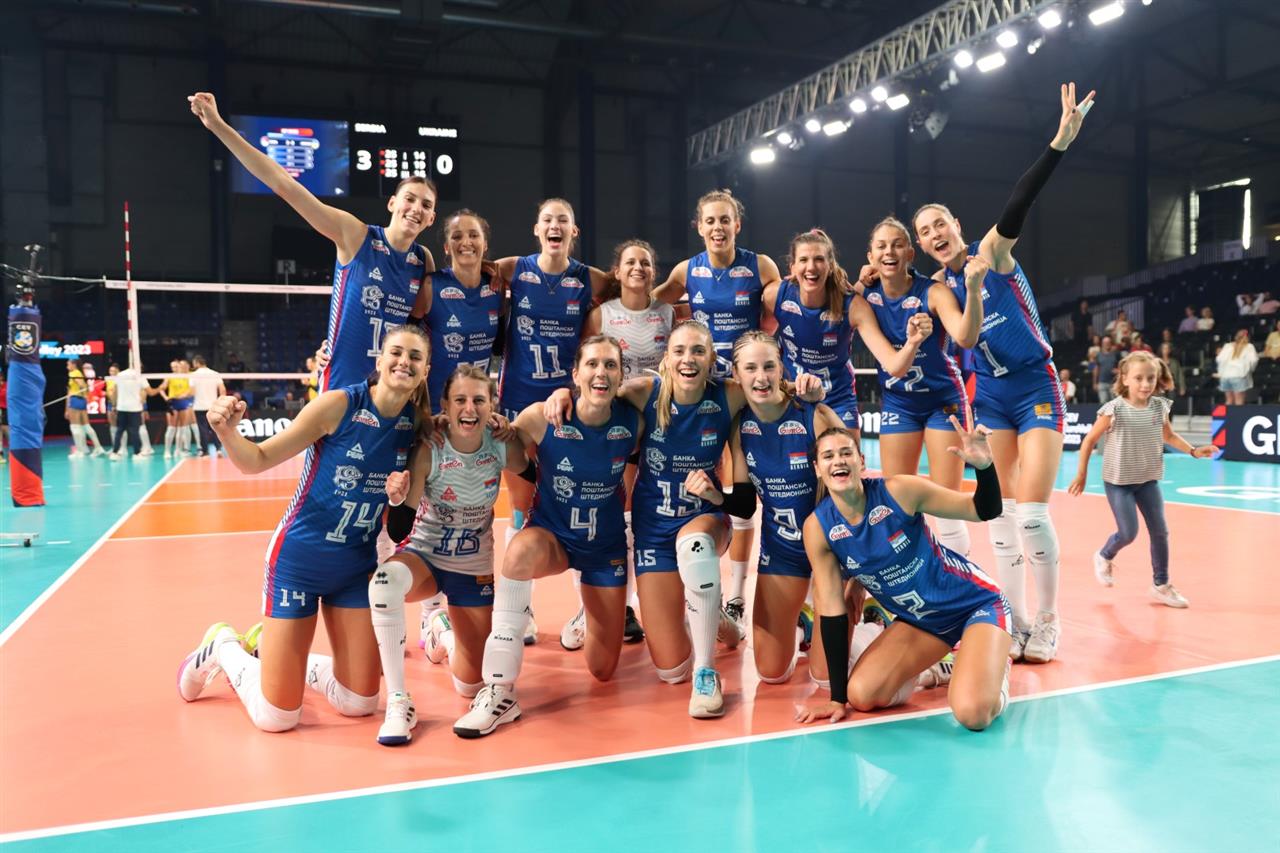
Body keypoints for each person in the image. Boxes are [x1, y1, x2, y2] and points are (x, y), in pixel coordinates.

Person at [545, 322, 824, 719]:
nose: (688, 359)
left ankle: (707, 672)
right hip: (654, 532)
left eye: (697, 351)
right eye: (679, 351)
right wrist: (563, 392)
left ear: (711, 361)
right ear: (666, 358)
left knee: (695, 548)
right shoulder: (644, 392)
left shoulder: (727, 395)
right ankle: (716, 617)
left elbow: (767, 385)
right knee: (671, 670)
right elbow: (597, 391)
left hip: (705, 519)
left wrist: (808, 389)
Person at [912, 83, 1094, 664]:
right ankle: (1015, 623)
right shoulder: (938, 287)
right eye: (925, 232)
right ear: (922, 245)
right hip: (988, 397)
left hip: (1035, 386)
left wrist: (1059, 143)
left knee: (1033, 515)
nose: (935, 235)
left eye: (939, 224)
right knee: (1002, 516)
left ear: (955, 224)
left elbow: (1021, 199)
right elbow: (936, 322)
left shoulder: (989, 252)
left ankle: (1049, 621)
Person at [175, 326, 427, 735]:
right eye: (396, 352)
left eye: (415, 357)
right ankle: (224, 647)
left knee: (359, 703)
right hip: (299, 561)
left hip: (354, 568)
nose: (404, 362)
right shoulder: (339, 405)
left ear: (425, 370)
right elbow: (257, 459)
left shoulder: (415, 426)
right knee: (277, 718)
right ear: (379, 361)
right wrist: (226, 432)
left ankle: (275, 655)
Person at [452, 337, 642, 738]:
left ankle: (587, 615)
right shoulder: (542, 417)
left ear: (621, 375)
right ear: (575, 374)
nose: (601, 372)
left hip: (605, 549)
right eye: (592, 364)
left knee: (603, 670)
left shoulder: (634, 421)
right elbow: (503, 450)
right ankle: (500, 689)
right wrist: (491, 429)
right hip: (553, 537)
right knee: (520, 551)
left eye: (611, 365)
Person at [189, 92, 436, 391]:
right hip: (342, 385)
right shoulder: (355, 235)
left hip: (392, 390)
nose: (416, 209)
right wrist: (218, 125)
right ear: (392, 203)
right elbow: (283, 184)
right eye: (410, 199)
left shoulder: (422, 260)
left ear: (431, 218)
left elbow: (422, 323)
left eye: (426, 205)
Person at [795, 421, 1011, 731]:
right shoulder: (818, 528)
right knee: (862, 695)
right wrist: (837, 699)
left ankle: (996, 671)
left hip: (975, 605)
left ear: (861, 461)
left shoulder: (900, 491)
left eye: (846, 453)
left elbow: (982, 510)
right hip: (922, 622)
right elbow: (832, 610)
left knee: (972, 714)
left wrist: (985, 468)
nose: (838, 461)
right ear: (817, 469)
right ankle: (943, 669)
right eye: (828, 456)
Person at [371, 365, 529, 745]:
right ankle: (398, 700)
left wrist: (515, 430)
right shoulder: (430, 448)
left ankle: (440, 628)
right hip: (425, 555)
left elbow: (535, 475)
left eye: (479, 400)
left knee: (470, 684)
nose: (469, 408)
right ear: (445, 405)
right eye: (460, 400)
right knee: (384, 584)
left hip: (472, 565)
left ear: (492, 405)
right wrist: (397, 499)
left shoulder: (502, 445)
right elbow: (399, 532)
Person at [651, 189, 784, 642]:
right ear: (699, 226)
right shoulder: (686, 271)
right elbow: (652, 303)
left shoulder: (760, 266)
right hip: (704, 392)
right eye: (710, 220)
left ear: (737, 225)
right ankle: (696, 584)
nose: (717, 227)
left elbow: (785, 307)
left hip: (746, 395)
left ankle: (739, 595)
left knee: (748, 492)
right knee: (709, 486)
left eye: (725, 220)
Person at [489, 198, 615, 643]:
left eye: (564, 220)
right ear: (536, 229)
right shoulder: (513, 269)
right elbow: (472, 274)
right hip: (519, 405)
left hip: (570, 408)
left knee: (582, 499)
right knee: (520, 507)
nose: (555, 226)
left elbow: (629, 292)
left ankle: (587, 610)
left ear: (574, 232)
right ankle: (520, 610)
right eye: (548, 220)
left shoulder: (589, 278)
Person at [562, 238, 675, 649]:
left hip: (659, 423)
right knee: (613, 510)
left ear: (654, 272)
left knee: (651, 512)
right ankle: (599, 607)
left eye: (645, 262)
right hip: (617, 422)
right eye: (630, 262)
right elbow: (583, 363)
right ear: (618, 271)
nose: (638, 268)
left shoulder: (668, 313)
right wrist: (566, 395)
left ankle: (658, 600)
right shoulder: (602, 315)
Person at [854, 219, 987, 558]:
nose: (889, 251)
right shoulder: (865, 295)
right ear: (871, 256)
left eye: (897, 244)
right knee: (897, 502)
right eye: (881, 246)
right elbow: (835, 307)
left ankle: (957, 575)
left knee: (947, 505)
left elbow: (965, 336)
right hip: (899, 403)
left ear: (910, 253)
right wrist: (858, 281)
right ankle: (911, 576)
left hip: (943, 402)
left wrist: (973, 290)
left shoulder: (933, 293)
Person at [720, 331, 845, 684]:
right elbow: (744, 504)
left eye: (769, 367)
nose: (761, 377)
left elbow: (855, 492)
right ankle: (802, 619)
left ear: (781, 369)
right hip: (783, 550)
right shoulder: (741, 426)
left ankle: (866, 622)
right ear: (736, 374)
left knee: (825, 678)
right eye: (750, 368)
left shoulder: (812, 415)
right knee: (771, 673)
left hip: (833, 550)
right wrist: (712, 497)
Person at [1069, 351, 1214, 608]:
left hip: (1148, 480)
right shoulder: (1114, 409)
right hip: (1119, 483)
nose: (1145, 384)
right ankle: (1104, 555)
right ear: (1125, 379)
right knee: (1128, 533)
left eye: (1150, 378)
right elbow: (1089, 440)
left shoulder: (1159, 406)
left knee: (1160, 532)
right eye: (1139, 378)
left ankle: (1161, 585)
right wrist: (1081, 473)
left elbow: (1169, 436)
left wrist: (1193, 451)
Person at [414, 209, 502, 413]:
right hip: (436, 408)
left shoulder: (497, 287)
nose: (466, 242)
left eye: (474, 235)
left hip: (477, 408)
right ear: (447, 247)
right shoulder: (431, 286)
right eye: (457, 236)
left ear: (484, 244)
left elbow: (500, 349)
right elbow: (407, 337)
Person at [108, 363, 150, 460]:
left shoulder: (121, 375)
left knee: (120, 430)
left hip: (123, 407)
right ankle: (136, 453)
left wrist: (114, 405)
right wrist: (160, 388)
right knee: (134, 431)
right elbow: (148, 392)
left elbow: (115, 392)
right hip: (133, 408)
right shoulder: (138, 377)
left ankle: (115, 452)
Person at [65, 359, 106, 458]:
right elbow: (84, 387)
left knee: (75, 427)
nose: (67, 366)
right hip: (82, 401)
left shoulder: (73, 373)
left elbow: (82, 385)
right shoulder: (79, 373)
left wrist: (78, 393)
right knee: (86, 426)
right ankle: (98, 448)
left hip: (75, 400)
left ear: (74, 364)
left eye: (68, 364)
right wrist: (84, 396)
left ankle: (80, 451)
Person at [190, 355, 226, 456]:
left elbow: (191, 392)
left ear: (197, 363)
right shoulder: (215, 373)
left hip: (199, 407)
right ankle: (218, 449)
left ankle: (205, 451)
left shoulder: (193, 375)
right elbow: (222, 390)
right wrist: (220, 403)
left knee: (203, 430)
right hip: (213, 406)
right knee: (215, 428)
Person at [1216, 327, 1259, 405]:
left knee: (1229, 401)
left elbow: (1219, 359)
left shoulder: (1227, 346)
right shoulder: (1249, 347)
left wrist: (1221, 372)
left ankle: (1228, 413)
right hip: (1239, 376)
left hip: (1225, 376)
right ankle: (1237, 414)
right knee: (1239, 402)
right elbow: (1254, 360)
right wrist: (1250, 370)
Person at [1094, 336, 1120, 404]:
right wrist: (1095, 383)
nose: (1107, 344)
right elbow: (1096, 369)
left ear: (1111, 343)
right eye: (1105, 343)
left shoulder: (1116, 354)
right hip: (1102, 383)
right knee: (1103, 404)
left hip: (1113, 383)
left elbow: (1122, 366)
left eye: (1108, 342)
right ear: (1102, 344)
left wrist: (1118, 371)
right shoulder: (1098, 355)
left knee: (1114, 404)